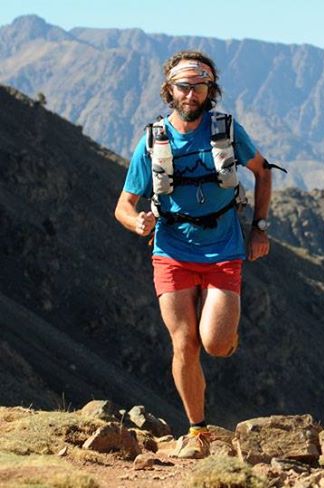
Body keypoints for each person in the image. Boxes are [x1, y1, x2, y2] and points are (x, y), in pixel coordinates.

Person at [114, 50, 272, 459]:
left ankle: (222, 333)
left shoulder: (227, 130)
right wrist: (138, 223)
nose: (191, 94)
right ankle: (197, 431)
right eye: (183, 86)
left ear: (209, 89)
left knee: (215, 344)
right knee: (184, 343)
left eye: (198, 86)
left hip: (223, 249)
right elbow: (124, 204)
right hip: (172, 250)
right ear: (170, 90)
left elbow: (262, 169)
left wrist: (259, 227)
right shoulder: (153, 140)